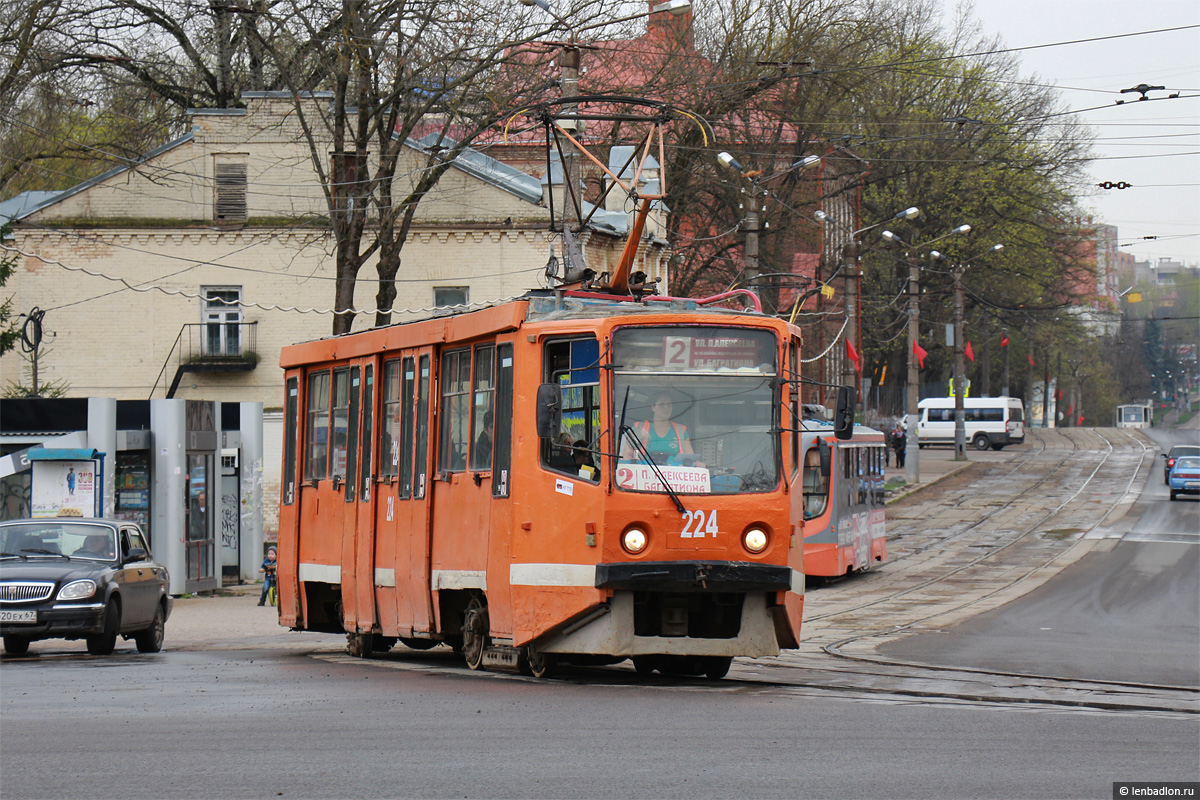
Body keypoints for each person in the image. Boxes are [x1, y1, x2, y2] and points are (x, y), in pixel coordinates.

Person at [623, 392, 699, 463]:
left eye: (669, 405)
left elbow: (690, 458)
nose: (666, 408)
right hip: (645, 473)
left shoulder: (681, 430)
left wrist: (697, 464)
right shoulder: (639, 428)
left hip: (674, 474)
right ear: (653, 407)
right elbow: (627, 455)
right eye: (662, 405)